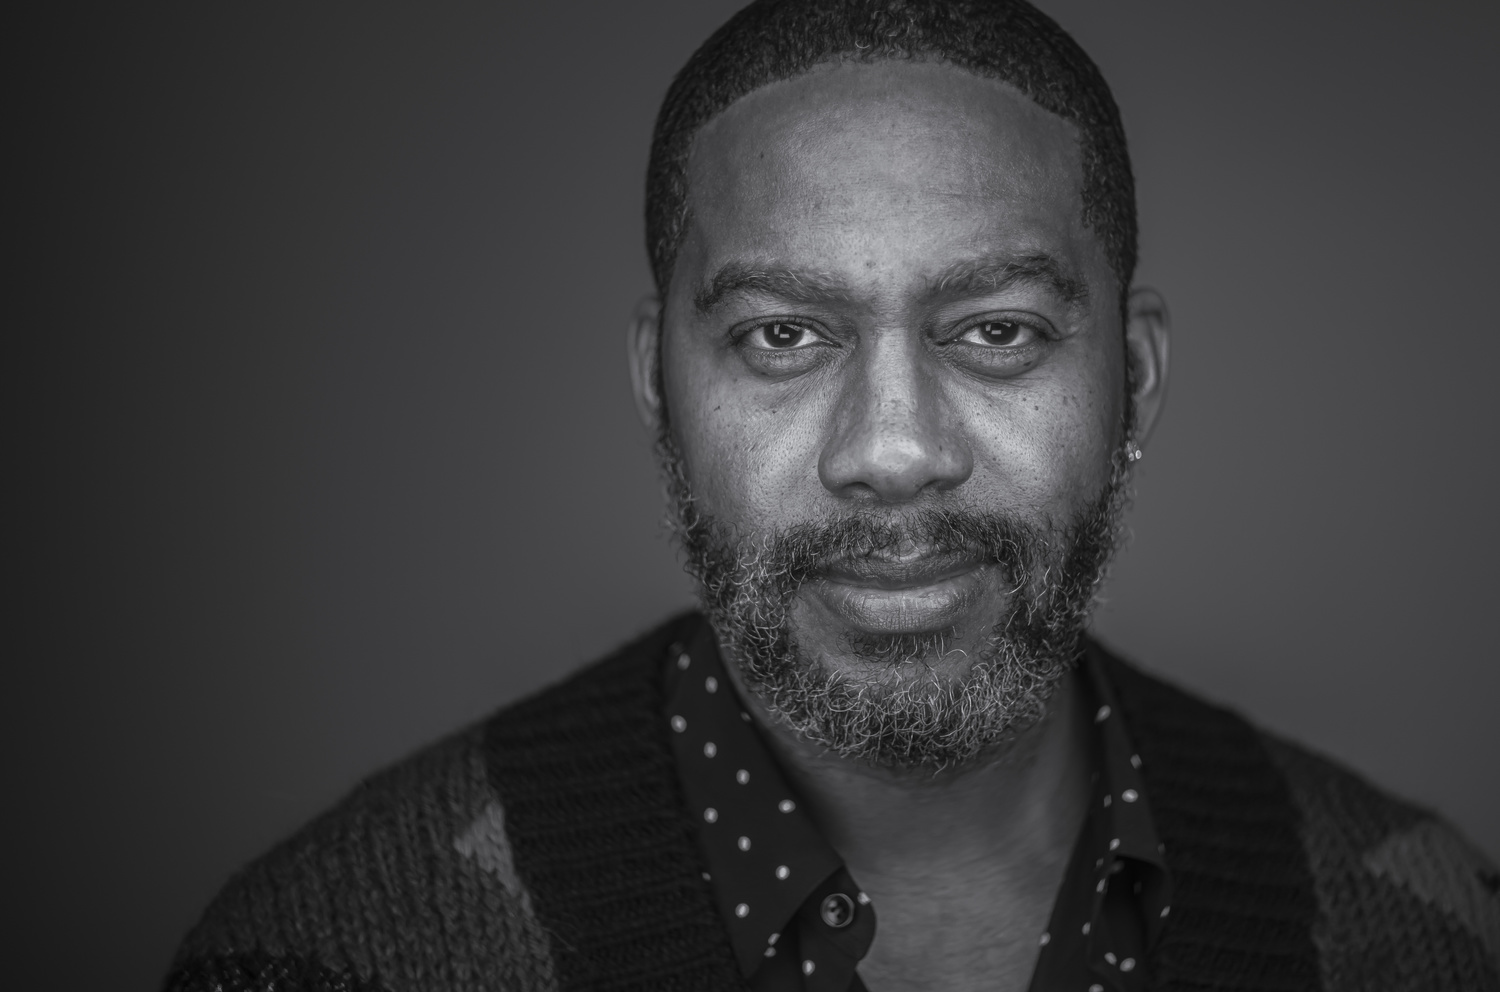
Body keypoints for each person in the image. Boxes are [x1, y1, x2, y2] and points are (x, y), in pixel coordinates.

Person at [162, 1, 1499, 989]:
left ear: (1133, 384)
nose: (895, 450)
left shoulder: (1429, 930)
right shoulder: (334, 952)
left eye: (997, 331)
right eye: (783, 338)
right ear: (657, 389)